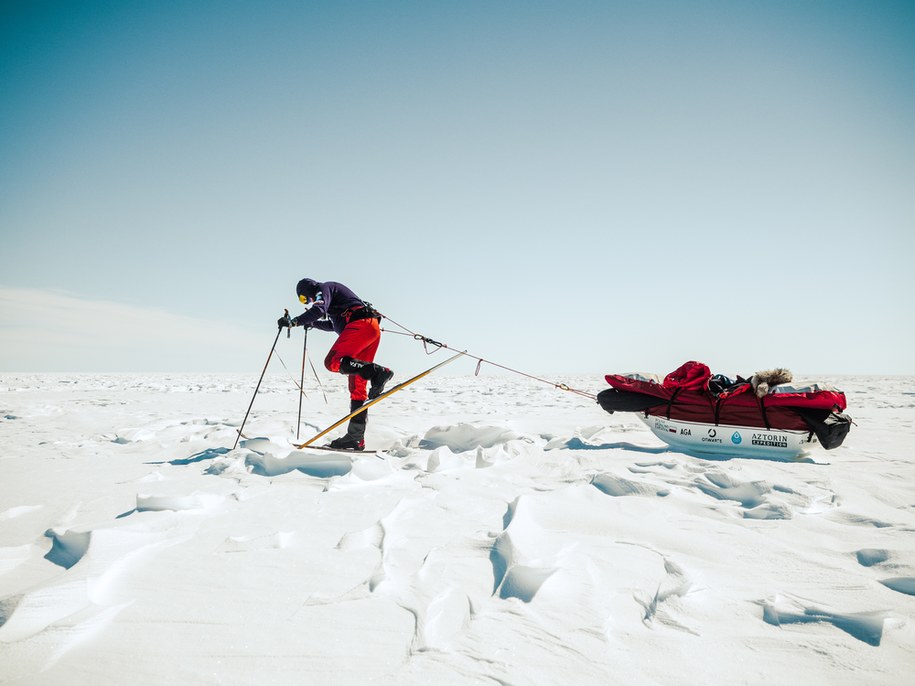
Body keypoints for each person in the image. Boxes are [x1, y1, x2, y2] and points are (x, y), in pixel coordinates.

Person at [278, 278, 393, 451]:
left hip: (361, 326)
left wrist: (295, 321)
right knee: (357, 388)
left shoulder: (324, 288)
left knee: (332, 361)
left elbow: (318, 309)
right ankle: (355, 438)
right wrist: (312, 323)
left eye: (304, 298)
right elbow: (332, 325)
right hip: (369, 329)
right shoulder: (333, 302)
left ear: (308, 290)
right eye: (304, 301)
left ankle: (377, 372)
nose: (307, 302)